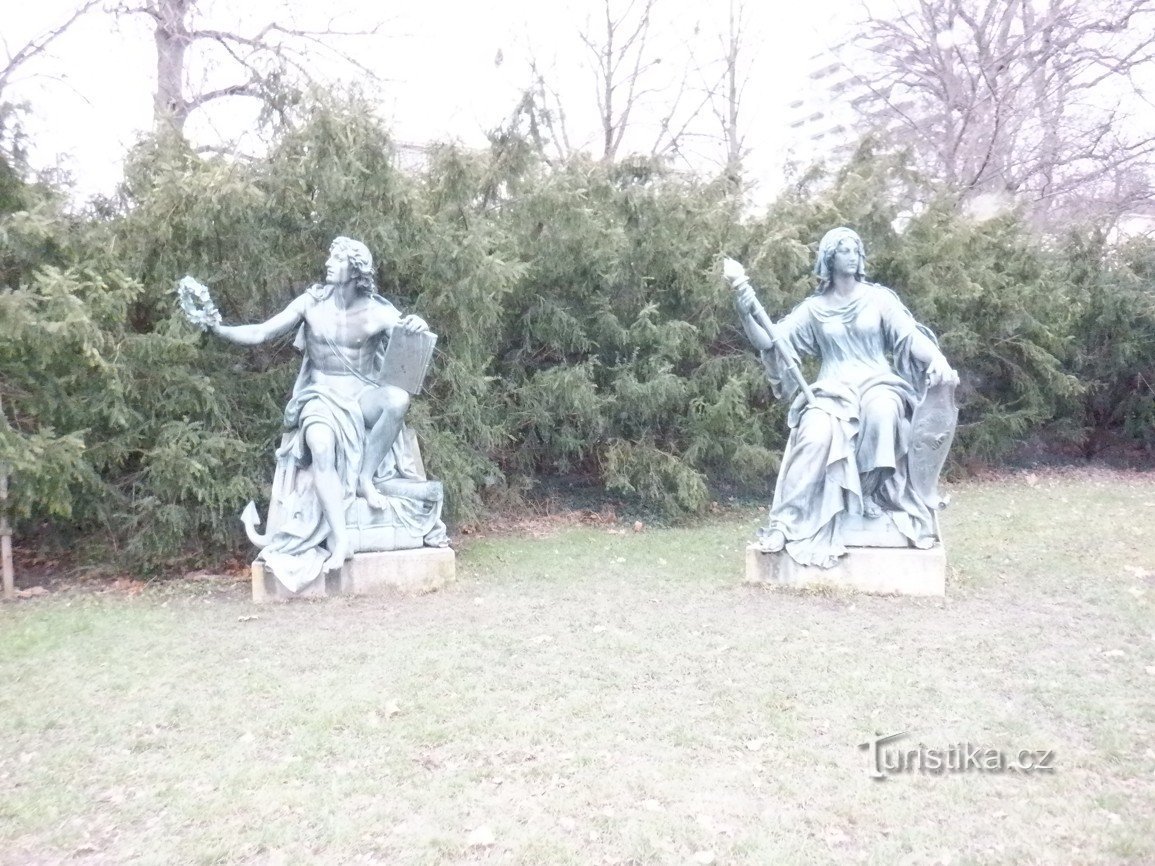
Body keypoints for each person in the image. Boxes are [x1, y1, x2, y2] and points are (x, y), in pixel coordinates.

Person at [730, 227, 959, 568]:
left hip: (878, 382)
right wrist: (746, 311)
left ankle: (865, 497)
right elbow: (770, 341)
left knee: (883, 413)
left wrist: (938, 359)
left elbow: (909, 338)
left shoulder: (879, 299)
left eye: (856, 250)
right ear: (829, 259)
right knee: (815, 433)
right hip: (831, 390)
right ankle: (786, 522)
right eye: (844, 251)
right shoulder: (813, 309)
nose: (852, 256)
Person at [212, 236, 437, 580]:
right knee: (320, 445)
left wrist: (417, 322)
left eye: (337, 259)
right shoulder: (310, 304)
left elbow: (411, 340)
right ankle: (341, 540)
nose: (328, 263)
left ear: (355, 269)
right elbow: (260, 333)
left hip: (362, 395)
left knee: (398, 400)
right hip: (319, 396)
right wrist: (218, 328)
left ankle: (364, 478)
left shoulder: (378, 310)